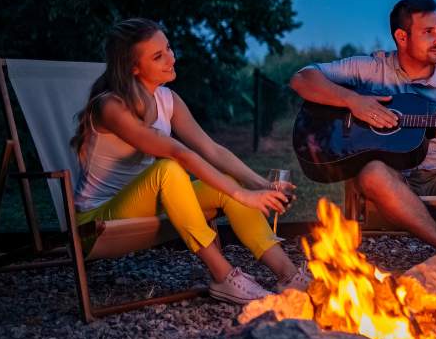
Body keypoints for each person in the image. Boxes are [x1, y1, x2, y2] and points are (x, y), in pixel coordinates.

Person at [71, 18, 310, 305]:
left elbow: (212, 150)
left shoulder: (167, 100)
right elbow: (178, 153)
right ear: (133, 67)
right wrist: (245, 196)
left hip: (149, 205)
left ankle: (288, 275)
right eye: (158, 56)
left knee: (225, 184)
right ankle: (225, 278)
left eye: (169, 48)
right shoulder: (110, 106)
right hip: (98, 222)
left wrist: (261, 186)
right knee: (168, 170)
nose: (171, 58)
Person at [290, 0, 436, 272]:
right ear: (402, 36)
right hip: (389, 178)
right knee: (372, 172)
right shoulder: (370, 70)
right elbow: (302, 79)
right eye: (428, 32)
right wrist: (354, 101)